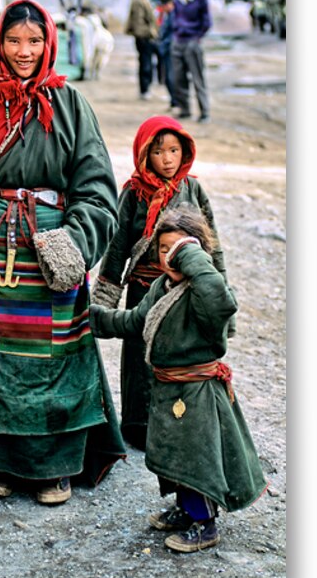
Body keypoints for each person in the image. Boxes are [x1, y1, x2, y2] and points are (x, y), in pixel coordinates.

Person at [0, 0, 126, 505]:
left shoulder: (70, 105)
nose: (24, 51)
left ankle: (50, 467)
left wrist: (74, 243)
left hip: (48, 249)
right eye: (14, 40)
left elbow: (96, 186)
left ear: (49, 44)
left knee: (49, 357)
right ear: (0, 41)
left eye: (34, 41)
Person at [90, 205, 267, 553]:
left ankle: (205, 524)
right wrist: (91, 317)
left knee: (196, 458)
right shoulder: (163, 286)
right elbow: (135, 321)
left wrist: (192, 256)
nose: (169, 256)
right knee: (174, 456)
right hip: (168, 388)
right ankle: (186, 510)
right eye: (163, 249)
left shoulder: (204, 293)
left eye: (178, 249)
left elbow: (221, 301)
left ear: (196, 252)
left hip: (196, 392)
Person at [91, 115, 230, 451]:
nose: (167, 159)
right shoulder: (134, 193)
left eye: (174, 150)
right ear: (143, 155)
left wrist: (220, 295)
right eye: (157, 152)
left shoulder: (193, 190)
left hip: (184, 291)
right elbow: (118, 245)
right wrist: (105, 298)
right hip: (143, 288)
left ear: (185, 152)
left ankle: (177, 421)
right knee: (139, 356)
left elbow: (211, 245)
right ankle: (138, 423)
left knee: (178, 354)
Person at [172, 0, 212, 123]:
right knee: (179, 79)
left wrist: (196, 38)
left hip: (192, 43)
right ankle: (185, 110)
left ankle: (204, 112)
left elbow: (207, 22)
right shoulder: (177, 1)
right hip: (178, 42)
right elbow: (174, 20)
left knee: (197, 79)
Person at [125, 0, 159, 101]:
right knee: (145, 64)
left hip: (145, 37)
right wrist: (149, 33)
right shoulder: (138, 1)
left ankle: (146, 88)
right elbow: (138, 22)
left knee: (147, 62)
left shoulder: (145, 0)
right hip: (143, 37)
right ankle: (144, 90)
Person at [156, 0, 178, 109]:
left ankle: (176, 102)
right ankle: (174, 101)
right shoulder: (167, 15)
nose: (164, 7)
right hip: (165, 50)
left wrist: (163, 44)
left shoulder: (174, 16)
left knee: (171, 77)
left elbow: (173, 35)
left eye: (166, 5)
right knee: (168, 77)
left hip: (171, 50)